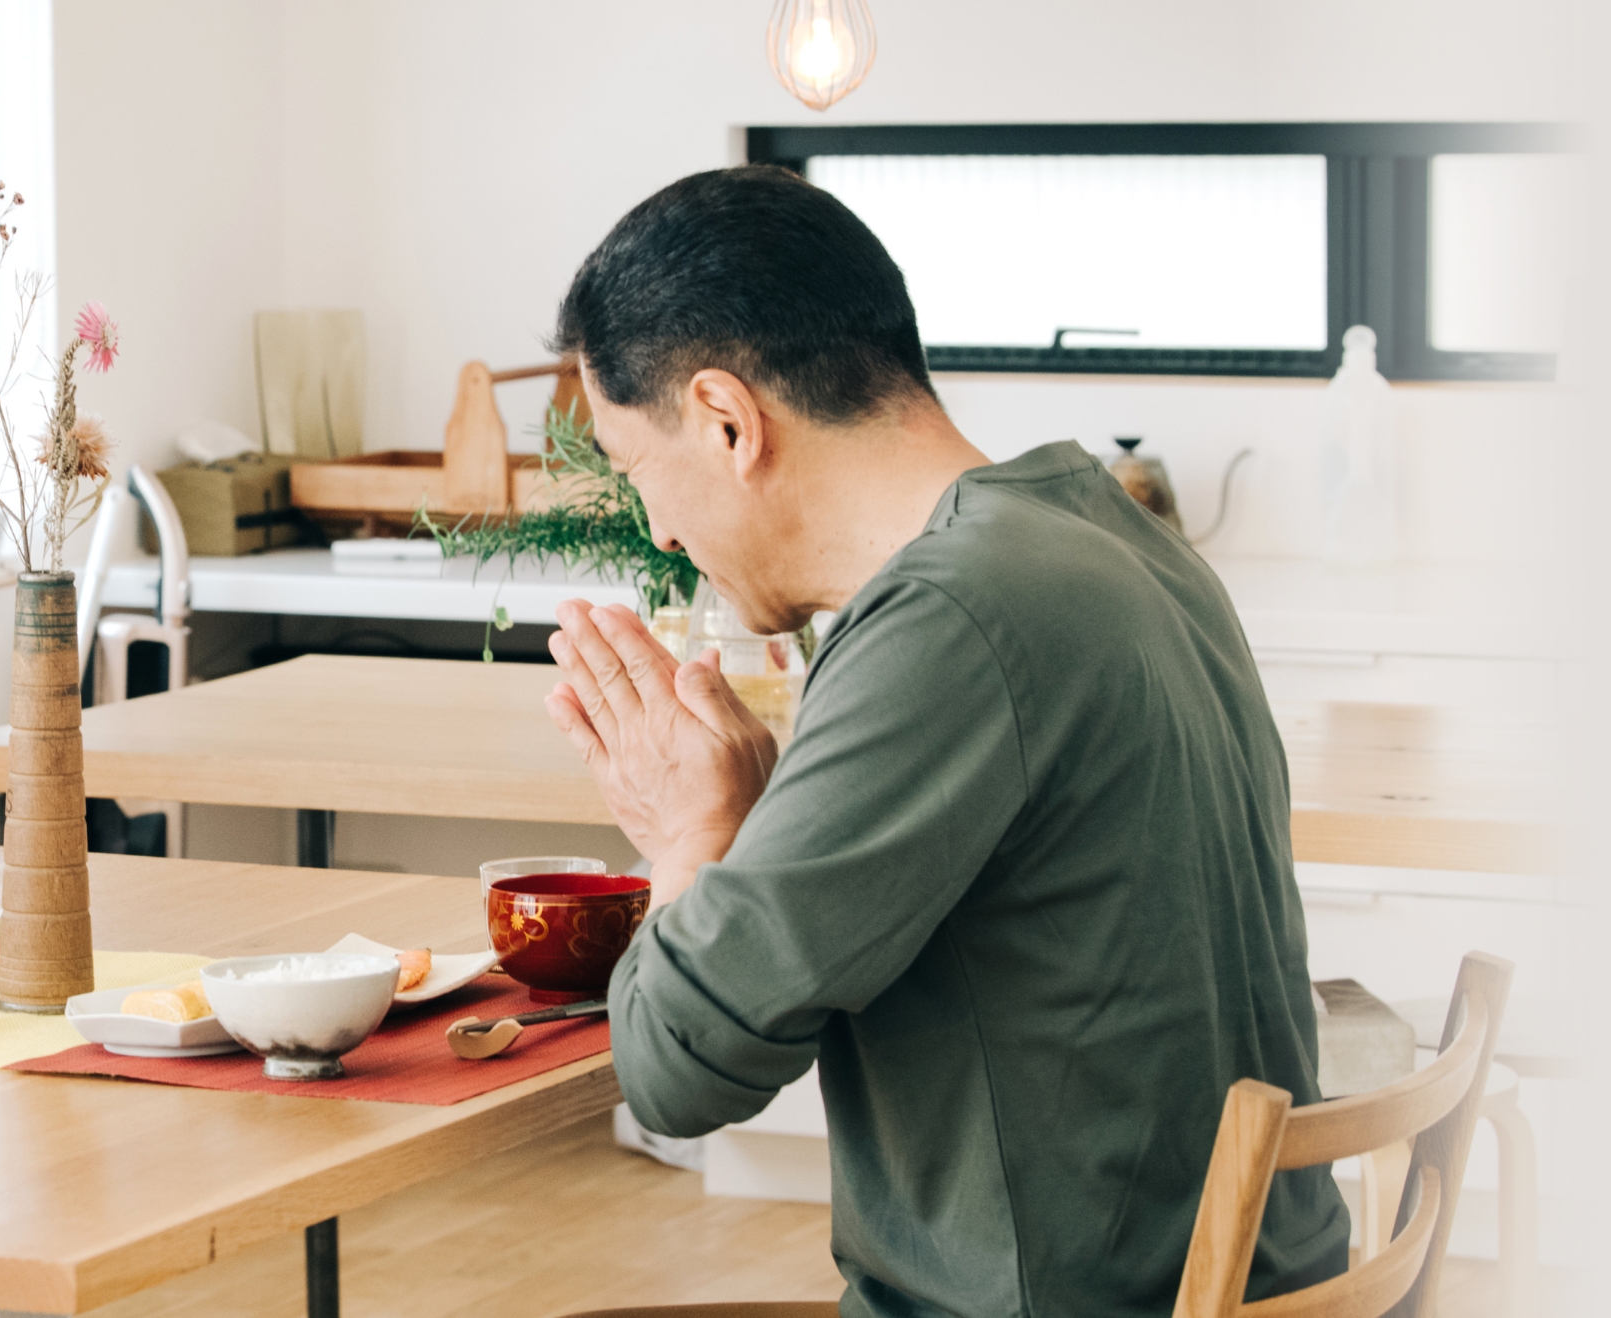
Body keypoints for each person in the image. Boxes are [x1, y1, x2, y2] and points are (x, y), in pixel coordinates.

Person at [541, 165, 1349, 1317]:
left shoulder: (951, 615)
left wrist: (690, 832)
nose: (659, 529)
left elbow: (673, 1069)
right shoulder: (1110, 531)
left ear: (728, 421)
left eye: (635, 474)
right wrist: (758, 827)